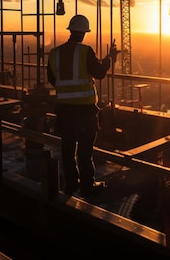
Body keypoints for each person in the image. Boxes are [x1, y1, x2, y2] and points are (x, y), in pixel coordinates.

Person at [47, 14, 118, 197]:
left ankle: (71, 184)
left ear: (71, 30)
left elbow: (53, 79)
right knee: (85, 152)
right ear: (84, 33)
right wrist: (108, 59)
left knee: (68, 150)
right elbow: (100, 73)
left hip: (64, 110)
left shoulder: (55, 53)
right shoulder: (85, 51)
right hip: (85, 112)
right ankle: (87, 186)